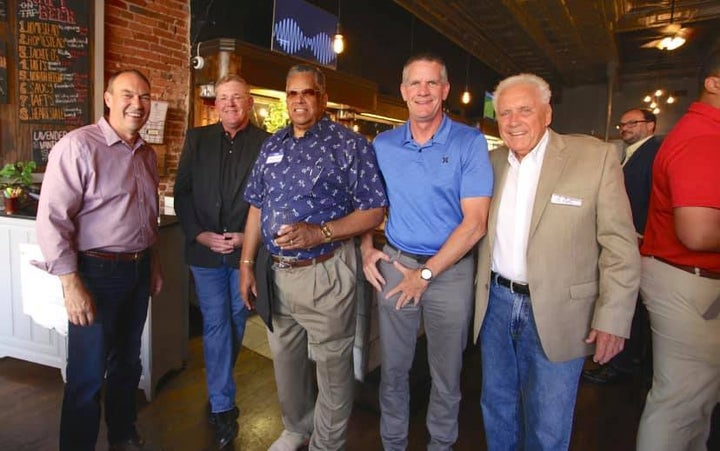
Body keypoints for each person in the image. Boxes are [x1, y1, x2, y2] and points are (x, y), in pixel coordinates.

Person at [472, 73, 640, 450]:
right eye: (505, 113)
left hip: (561, 311)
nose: (513, 121)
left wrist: (613, 317)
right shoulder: (492, 162)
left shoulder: (594, 158)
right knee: (497, 407)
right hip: (497, 304)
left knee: (548, 421)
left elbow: (619, 245)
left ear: (547, 114)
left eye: (525, 110)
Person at [239, 64, 387, 450]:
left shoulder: (349, 145)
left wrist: (317, 232)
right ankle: (296, 427)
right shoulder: (273, 144)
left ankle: (327, 443)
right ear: (285, 98)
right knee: (286, 364)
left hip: (326, 270)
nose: (299, 100)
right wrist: (245, 264)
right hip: (275, 273)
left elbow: (374, 211)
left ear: (322, 98)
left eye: (307, 93)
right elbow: (256, 206)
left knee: (333, 370)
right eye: (292, 93)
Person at [360, 53, 493, 450]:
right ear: (403, 92)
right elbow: (370, 206)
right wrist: (368, 248)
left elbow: (475, 223)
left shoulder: (469, 142)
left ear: (445, 90)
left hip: (449, 274)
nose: (423, 91)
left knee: (446, 374)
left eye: (431, 83)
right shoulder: (383, 145)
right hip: (398, 266)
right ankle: (393, 443)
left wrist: (428, 274)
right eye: (415, 84)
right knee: (394, 371)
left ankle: (440, 444)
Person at [34, 69, 163, 451]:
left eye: (143, 97)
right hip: (95, 273)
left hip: (137, 270)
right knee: (88, 375)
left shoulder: (147, 153)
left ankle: (122, 436)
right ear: (108, 98)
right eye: (127, 95)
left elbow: (146, 214)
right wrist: (71, 284)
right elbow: (52, 220)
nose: (136, 104)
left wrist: (152, 262)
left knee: (127, 365)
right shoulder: (78, 146)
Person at [173, 74, 269, 448]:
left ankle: (218, 389)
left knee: (236, 320)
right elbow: (182, 193)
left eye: (238, 98)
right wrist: (199, 234)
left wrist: (250, 237)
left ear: (249, 102)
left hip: (246, 253)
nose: (230, 104)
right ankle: (222, 404)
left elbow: (270, 200)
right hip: (206, 252)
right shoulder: (197, 140)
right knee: (216, 323)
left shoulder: (266, 143)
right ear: (216, 104)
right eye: (224, 98)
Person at [636, 49, 720, 451]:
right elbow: (699, 232)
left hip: (686, 279)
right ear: (713, 83)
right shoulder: (704, 137)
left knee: (695, 400)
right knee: (682, 402)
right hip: (690, 283)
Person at [582, 107, 660, 384]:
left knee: (633, 305)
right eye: (622, 124)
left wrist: (643, 234)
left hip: (640, 240)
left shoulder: (654, 153)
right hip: (630, 238)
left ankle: (623, 365)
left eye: (632, 123)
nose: (625, 127)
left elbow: (653, 199)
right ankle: (619, 362)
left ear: (650, 125)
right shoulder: (628, 155)